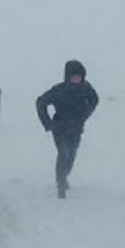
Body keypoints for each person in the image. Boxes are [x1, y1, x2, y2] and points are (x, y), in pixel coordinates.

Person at [36, 60, 99, 199]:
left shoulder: (86, 88)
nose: (77, 79)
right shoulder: (59, 90)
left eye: (79, 76)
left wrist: (85, 114)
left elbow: (95, 99)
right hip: (60, 128)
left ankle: (64, 177)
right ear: (67, 76)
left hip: (76, 128)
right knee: (63, 153)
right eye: (74, 76)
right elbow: (41, 102)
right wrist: (47, 123)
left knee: (71, 156)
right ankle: (60, 184)